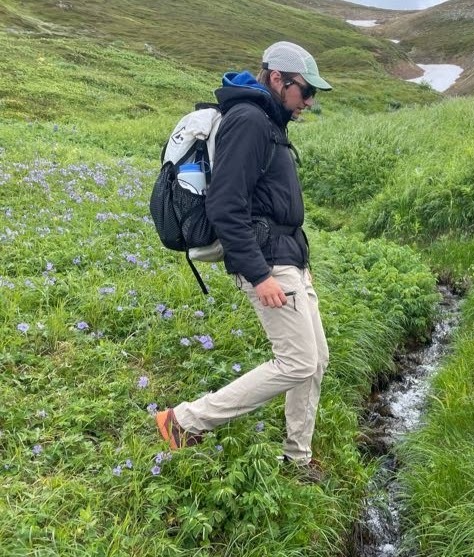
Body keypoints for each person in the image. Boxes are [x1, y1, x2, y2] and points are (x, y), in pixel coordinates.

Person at [156, 42, 331, 473]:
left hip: (289, 256)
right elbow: (225, 206)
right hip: (268, 260)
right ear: (277, 79)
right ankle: (184, 421)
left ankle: (297, 458)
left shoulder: (268, 121)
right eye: (305, 92)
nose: (309, 102)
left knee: (315, 360)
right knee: (296, 362)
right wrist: (259, 274)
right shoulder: (250, 121)